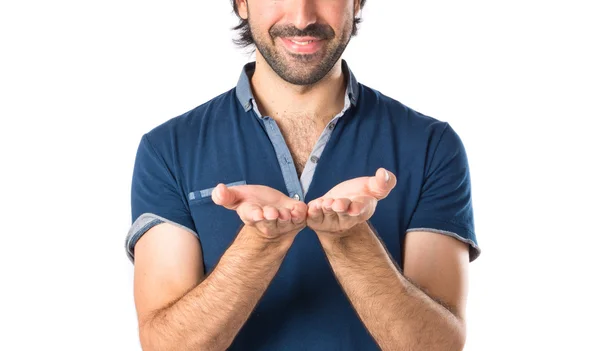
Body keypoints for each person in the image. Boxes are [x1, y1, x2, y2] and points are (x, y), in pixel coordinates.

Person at [125, 0, 481, 350]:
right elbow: (166, 345)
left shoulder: (432, 146)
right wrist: (260, 245)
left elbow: (437, 345)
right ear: (241, 3)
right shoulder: (168, 150)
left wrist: (350, 240)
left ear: (357, 3)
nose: (302, 16)